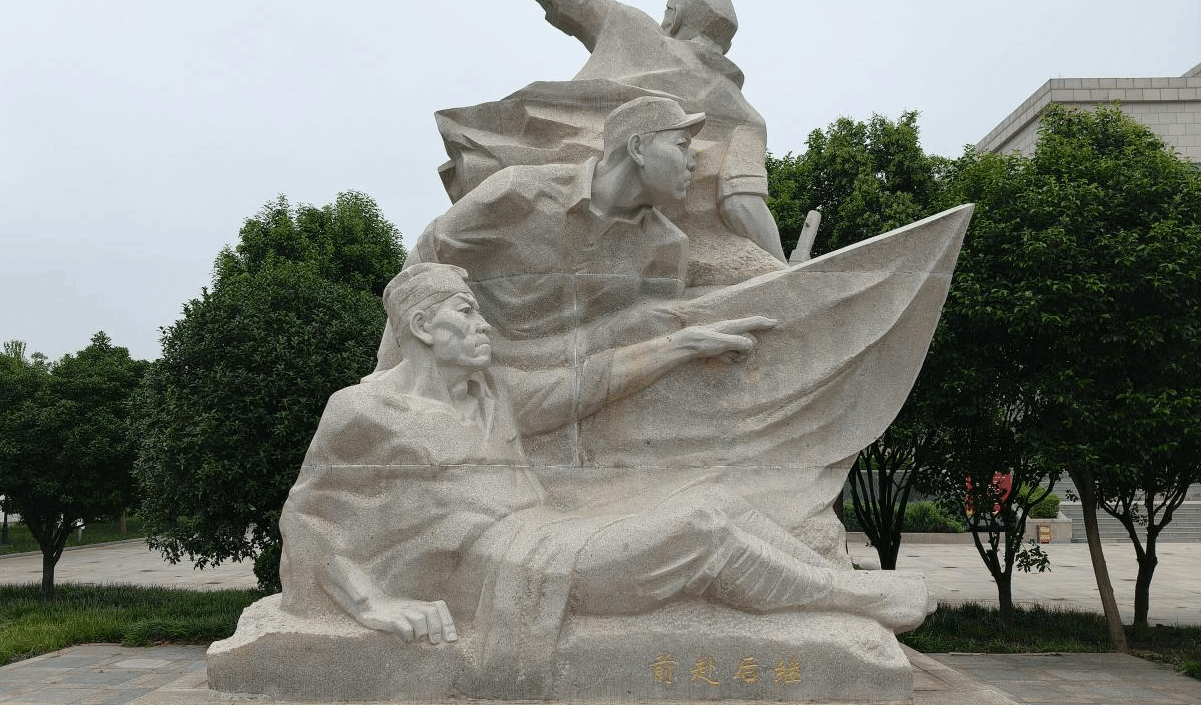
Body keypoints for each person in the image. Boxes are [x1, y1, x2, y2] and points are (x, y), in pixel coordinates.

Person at [280, 263, 931, 651]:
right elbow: (310, 522)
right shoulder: (364, 411)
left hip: (546, 535)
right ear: (424, 327)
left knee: (716, 503)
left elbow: (584, 384)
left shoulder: (489, 391)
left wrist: (683, 345)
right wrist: (371, 605)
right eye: (466, 312)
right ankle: (856, 600)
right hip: (492, 568)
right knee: (700, 530)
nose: (483, 326)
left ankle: (847, 590)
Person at [433, 0, 787, 282]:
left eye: (667, 9)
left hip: (536, 186)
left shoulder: (633, 29)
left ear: (675, 16)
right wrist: (786, 270)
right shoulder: (745, 117)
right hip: (622, 232)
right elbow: (743, 203)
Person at [371, 95, 708, 374]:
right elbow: (421, 269)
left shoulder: (668, 246)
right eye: (682, 145)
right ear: (637, 148)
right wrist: (387, 377)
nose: (692, 162)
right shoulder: (519, 192)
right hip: (471, 376)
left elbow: (652, 343)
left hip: (563, 391)